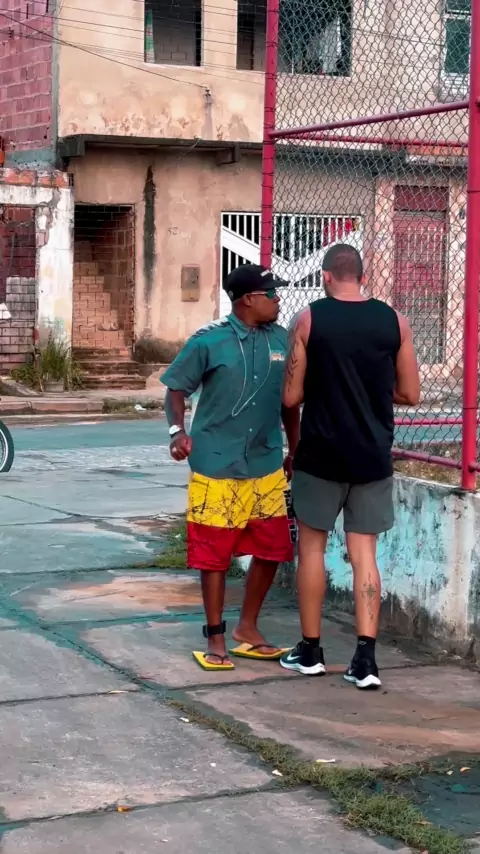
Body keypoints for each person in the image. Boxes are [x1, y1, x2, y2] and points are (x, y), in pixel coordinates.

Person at [280, 244, 420, 689]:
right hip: (372, 456)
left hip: (320, 454)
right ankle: (365, 660)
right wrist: (372, 388)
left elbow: (290, 397)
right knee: (365, 556)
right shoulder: (395, 322)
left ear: (325, 276)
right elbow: (411, 393)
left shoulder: (309, 319)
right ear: (363, 276)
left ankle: (311, 651)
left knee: (312, 550)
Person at [162, 264, 300, 671]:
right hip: (216, 464)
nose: (278, 299)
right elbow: (175, 389)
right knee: (214, 555)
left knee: (273, 548)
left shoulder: (282, 341)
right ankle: (216, 637)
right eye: (271, 293)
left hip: (265, 463)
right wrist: (177, 432)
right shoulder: (209, 341)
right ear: (248, 299)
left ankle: (247, 628)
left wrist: (295, 449)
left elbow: (289, 404)